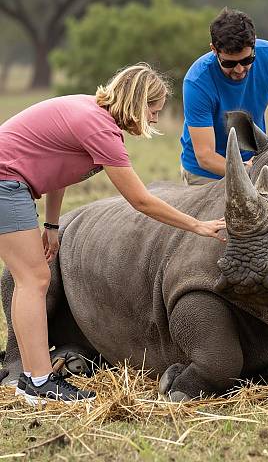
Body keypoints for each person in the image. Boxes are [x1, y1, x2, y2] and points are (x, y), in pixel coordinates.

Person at [0, 63, 226, 405]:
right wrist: (198, 225)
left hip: (11, 182)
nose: (153, 120)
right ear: (137, 102)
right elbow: (140, 200)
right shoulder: (100, 129)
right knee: (33, 280)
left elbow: (58, 168)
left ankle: (32, 378)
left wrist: (52, 225)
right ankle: (39, 381)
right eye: (153, 111)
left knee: (30, 279)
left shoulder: (91, 112)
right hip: (6, 182)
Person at [180, 7, 268, 185]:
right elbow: (205, 156)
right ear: (214, 50)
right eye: (229, 63)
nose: (239, 70)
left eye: (247, 60)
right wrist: (248, 170)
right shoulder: (196, 81)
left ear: (254, 43)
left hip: (255, 163)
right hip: (207, 173)